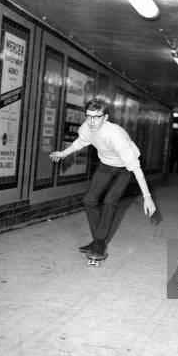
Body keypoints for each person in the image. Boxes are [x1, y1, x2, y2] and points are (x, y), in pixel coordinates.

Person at [50, 98, 156, 258]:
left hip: (124, 168)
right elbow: (80, 142)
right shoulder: (86, 127)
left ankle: (98, 243)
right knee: (89, 200)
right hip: (106, 165)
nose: (92, 121)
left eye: (96, 117)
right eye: (88, 116)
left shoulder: (115, 134)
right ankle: (98, 241)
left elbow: (136, 169)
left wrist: (147, 197)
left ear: (105, 118)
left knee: (109, 201)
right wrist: (63, 154)